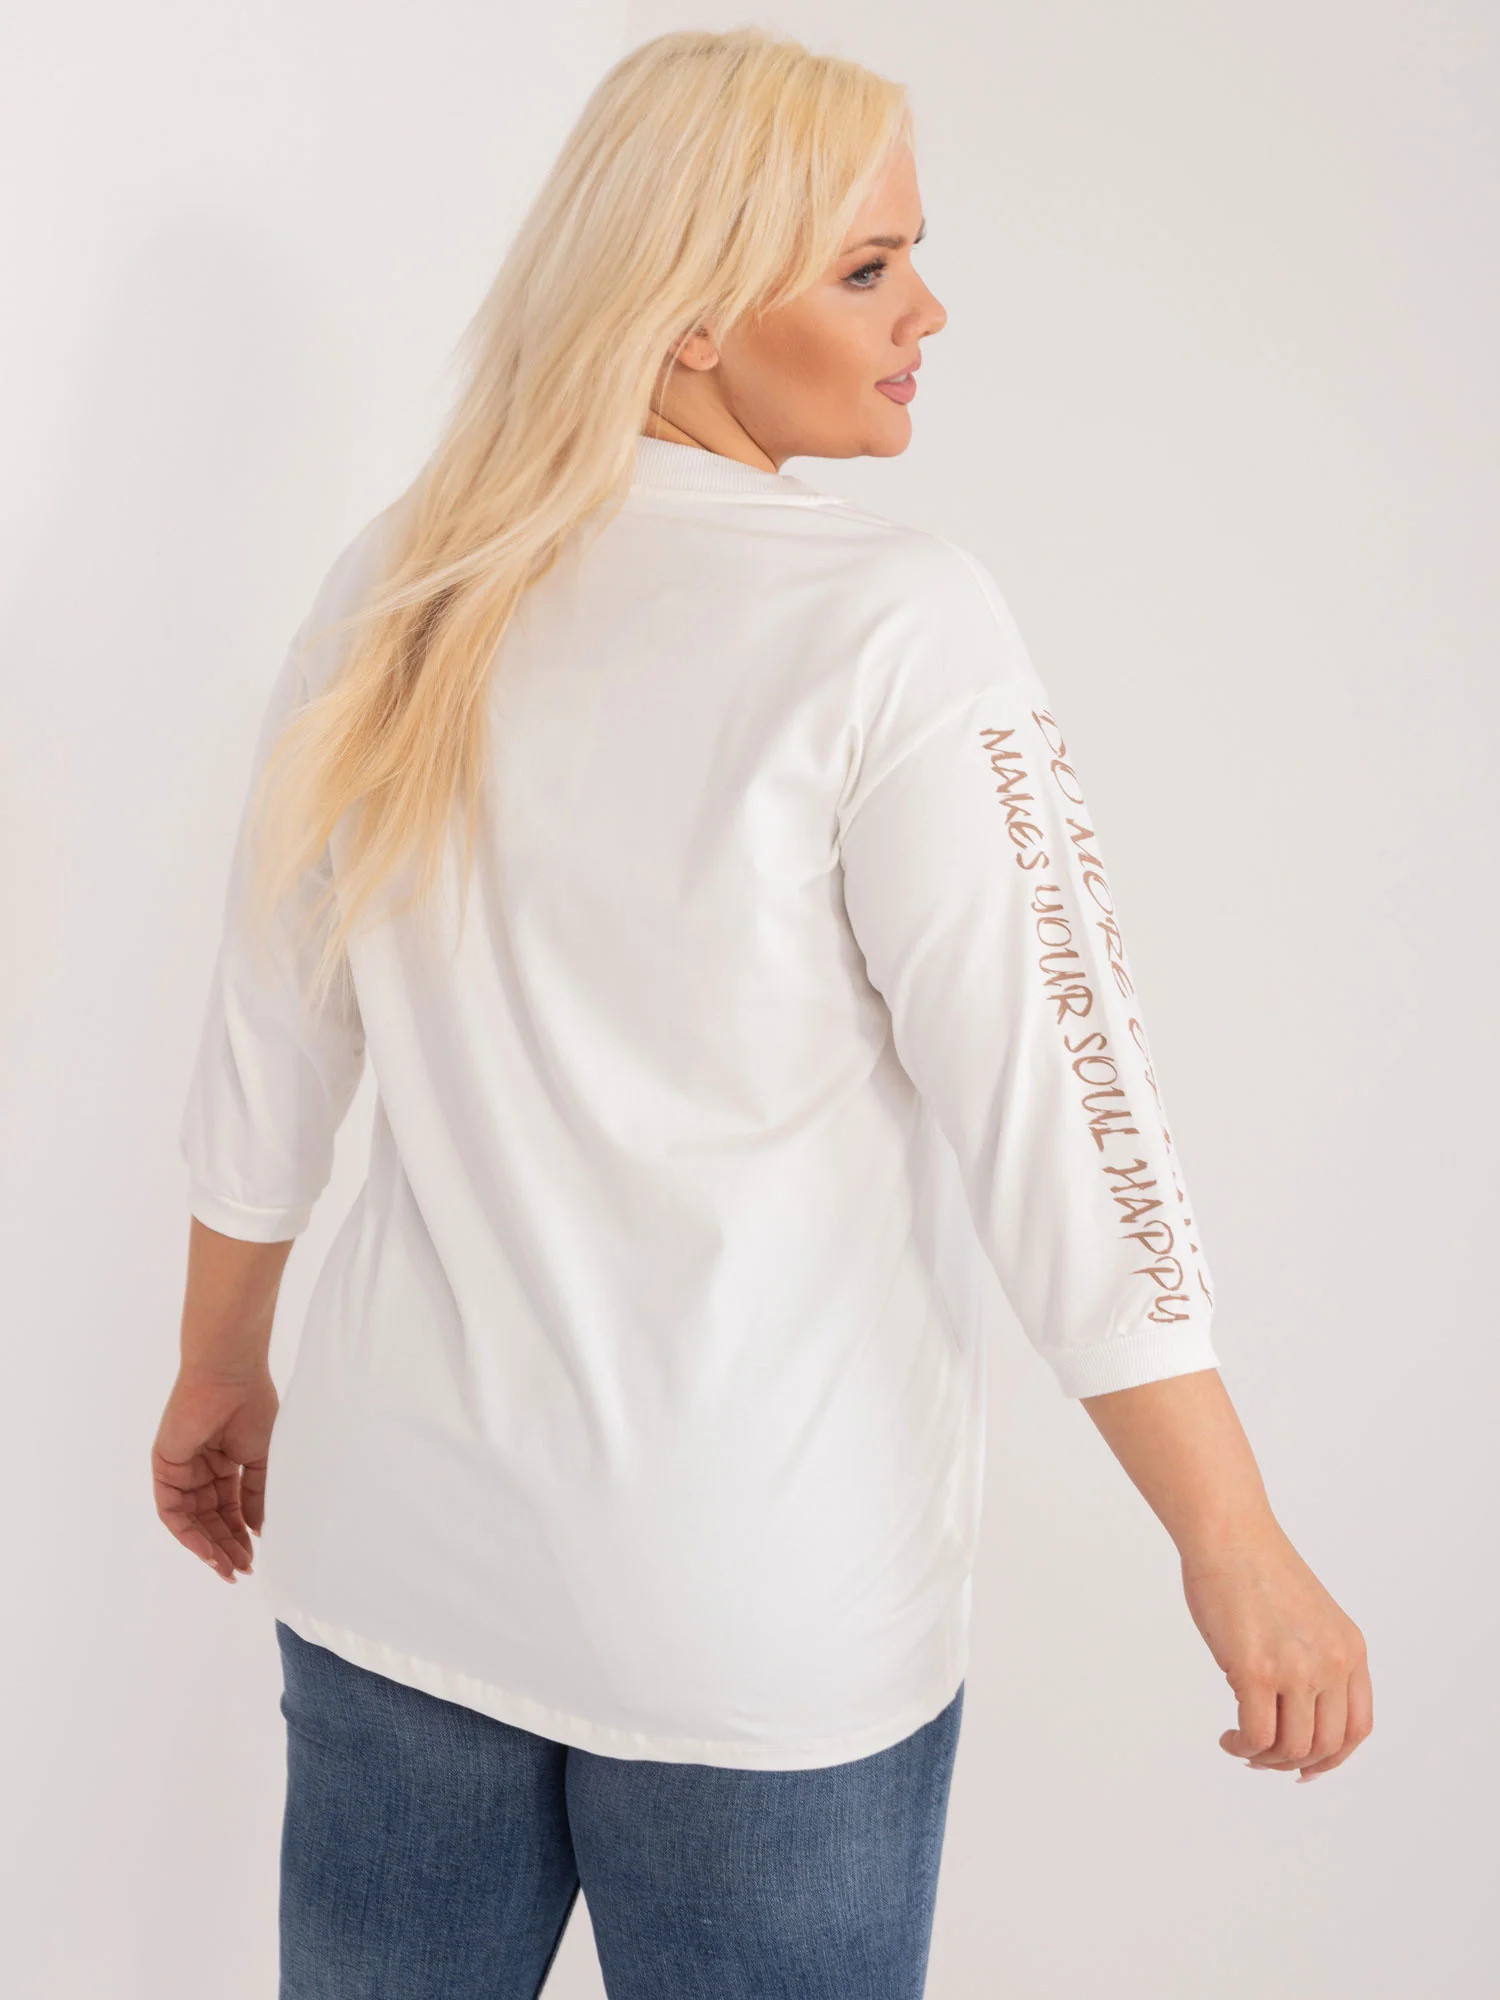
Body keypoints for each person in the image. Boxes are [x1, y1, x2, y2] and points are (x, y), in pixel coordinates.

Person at [151, 26, 1372, 2000]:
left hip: (394, 1561)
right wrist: (1232, 1537)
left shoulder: (412, 573)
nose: (928, 313)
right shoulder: (894, 624)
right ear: (694, 314)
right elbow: (1068, 1116)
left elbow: (272, 1029)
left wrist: (218, 1365)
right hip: (747, 1623)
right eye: (869, 267)